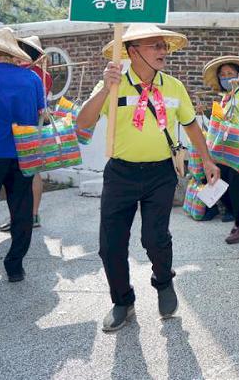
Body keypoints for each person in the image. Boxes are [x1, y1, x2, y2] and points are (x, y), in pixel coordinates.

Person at [77, 23, 220, 332]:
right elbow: (82, 124)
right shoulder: (113, 83)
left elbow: (192, 125)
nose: (162, 51)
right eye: (155, 45)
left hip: (160, 173)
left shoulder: (174, 86)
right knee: (110, 244)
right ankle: (122, 301)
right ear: (133, 51)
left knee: (155, 238)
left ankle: (164, 283)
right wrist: (104, 88)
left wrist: (207, 159)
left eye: (163, 45)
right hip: (120, 173)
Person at [0, 27, 44, 282]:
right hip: (24, 153)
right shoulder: (32, 79)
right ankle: (15, 265)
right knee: (22, 208)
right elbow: (41, 114)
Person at [201, 55, 239, 243]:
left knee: (236, 190)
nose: (226, 77)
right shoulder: (225, 98)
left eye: (230, 73)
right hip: (225, 151)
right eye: (223, 75)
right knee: (218, 186)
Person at [0, 36, 52, 232]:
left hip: (23, 130)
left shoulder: (33, 74)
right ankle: (29, 215)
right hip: (30, 130)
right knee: (31, 172)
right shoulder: (39, 73)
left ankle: (27, 216)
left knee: (25, 174)